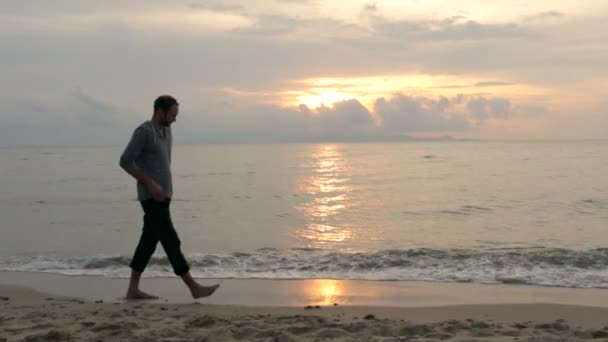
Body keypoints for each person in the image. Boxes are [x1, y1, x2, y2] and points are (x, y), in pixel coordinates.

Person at [119, 95, 219, 300]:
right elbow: (125, 161)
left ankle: (132, 289)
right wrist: (150, 183)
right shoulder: (144, 132)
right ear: (160, 111)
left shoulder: (167, 131)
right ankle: (193, 287)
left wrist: (164, 188)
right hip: (150, 198)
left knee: (148, 242)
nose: (175, 119)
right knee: (171, 241)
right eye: (173, 114)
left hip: (164, 197)